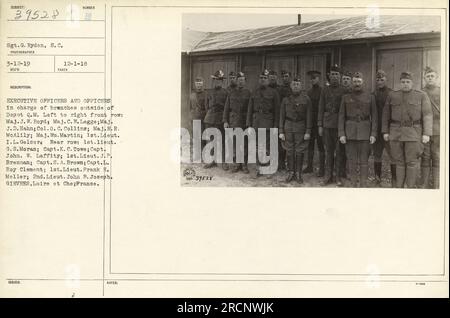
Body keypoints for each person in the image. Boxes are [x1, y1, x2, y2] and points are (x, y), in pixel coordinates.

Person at [382, 71, 433, 188]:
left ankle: (410, 187)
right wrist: (385, 131)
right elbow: (386, 114)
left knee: (412, 162)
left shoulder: (421, 95)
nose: (405, 84)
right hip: (396, 132)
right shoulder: (392, 95)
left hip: (413, 133)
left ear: (412, 83)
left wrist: (426, 133)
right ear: (400, 83)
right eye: (403, 82)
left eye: (408, 82)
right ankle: (400, 187)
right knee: (398, 161)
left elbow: (427, 115)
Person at [338, 72, 377, 187]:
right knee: (352, 160)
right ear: (352, 83)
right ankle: (353, 183)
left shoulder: (370, 97)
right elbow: (341, 116)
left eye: (359, 81)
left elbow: (374, 117)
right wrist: (341, 134)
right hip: (349, 133)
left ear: (363, 82)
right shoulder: (345, 97)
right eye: (355, 81)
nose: (357, 84)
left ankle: (363, 184)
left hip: (365, 133)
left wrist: (373, 134)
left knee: (364, 161)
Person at [246, 69, 280, 177]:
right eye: (261, 78)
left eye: (265, 78)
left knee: (267, 147)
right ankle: (256, 169)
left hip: (268, 123)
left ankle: (267, 169)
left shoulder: (274, 93)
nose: (263, 80)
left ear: (268, 80)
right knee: (256, 147)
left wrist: (275, 126)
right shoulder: (254, 92)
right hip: (256, 122)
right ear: (259, 79)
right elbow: (250, 109)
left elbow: (277, 111)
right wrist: (249, 125)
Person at [317, 64, 347, 186]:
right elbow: (321, 107)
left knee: (339, 152)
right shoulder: (325, 90)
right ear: (329, 75)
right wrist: (320, 125)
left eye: (337, 74)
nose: (334, 76)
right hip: (327, 124)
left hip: (339, 126)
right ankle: (328, 176)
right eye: (333, 74)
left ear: (339, 76)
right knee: (328, 151)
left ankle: (338, 176)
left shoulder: (344, 90)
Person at [279, 76, 312, 183]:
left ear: (301, 86)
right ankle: (291, 172)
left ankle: (298, 173)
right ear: (290, 86)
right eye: (294, 84)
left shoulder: (306, 99)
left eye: (297, 84)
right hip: (288, 126)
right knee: (289, 150)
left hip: (301, 127)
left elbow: (309, 116)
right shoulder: (285, 99)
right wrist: (281, 131)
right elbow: (281, 116)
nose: (295, 86)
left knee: (299, 149)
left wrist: (308, 131)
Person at [223, 72, 251, 173]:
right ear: (237, 81)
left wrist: (249, 123)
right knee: (234, 143)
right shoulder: (231, 92)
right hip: (233, 121)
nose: (240, 82)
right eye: (239, 80)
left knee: (244, 144)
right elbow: (226, 108)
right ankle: (236, 164)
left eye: (242, 80)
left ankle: (244, 164)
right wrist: (225, 120)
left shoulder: (248, 93)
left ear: (245, 81)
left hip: (243, 122)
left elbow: (250, 109)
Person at [372, 70, 395, 187]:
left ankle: (394, 180)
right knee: (377, 154)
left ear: (386, 79)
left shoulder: (391, 93)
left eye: (382, 79)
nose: (380, 82)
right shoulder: (373, 94)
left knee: (392, 155)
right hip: (376, 130)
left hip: (388, 130)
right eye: (378, 80)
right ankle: (377, 178)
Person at [420, 66, 440, 189]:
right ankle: (424, 184)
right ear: (424, 79)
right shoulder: (421, 92)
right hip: (424, 130)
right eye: (428, 76)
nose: (430, 78)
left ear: (436, 78)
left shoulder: (442, 91)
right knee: (425, 156)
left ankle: (437, 185)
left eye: (432, 76)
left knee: (436, 156)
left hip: (438, 129)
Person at [204, 70, 229, 169]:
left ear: (222, 82)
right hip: (209, 119)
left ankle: (222, 162)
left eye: (220, 80)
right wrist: (210, 115)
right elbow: (206, 106)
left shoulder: (226, 92)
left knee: (222, 141)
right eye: (216, 80)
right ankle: (211, 161)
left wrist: (224, 119)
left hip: (220, 119)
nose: (218, 82)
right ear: (213, 81)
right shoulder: (208, 92)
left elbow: (227, 107)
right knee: (210, 141)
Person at [303, 70, 325, 177]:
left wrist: (321, 123)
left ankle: (322, 169)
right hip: (310, 122)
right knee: (310, 144)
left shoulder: (323, 91)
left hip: (320, 122)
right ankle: (310, 166)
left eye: (315, 78)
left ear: (319, 79)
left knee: (321, 145)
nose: (313, 80)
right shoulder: (308, 92)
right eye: (311, 78)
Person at [276, 70, 293, 171]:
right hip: (280, 118)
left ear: (290, 77)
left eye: (287, 76)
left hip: (289, 119)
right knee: (280, 142)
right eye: (283, 77)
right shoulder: (279, 90)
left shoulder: (293, 89)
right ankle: (280, 162)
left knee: (289, 142)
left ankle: (288, 164)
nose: (285, 78)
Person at [189, 76, 207, 146]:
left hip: (202, 119)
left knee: (202, 137)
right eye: (197, 83)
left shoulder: (205, 94)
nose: (198, 85)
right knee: (195, 137)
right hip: (194, 119)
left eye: (200, 83)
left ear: (202, 84)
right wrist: (190, 118)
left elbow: (207, 107)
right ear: (195, 84)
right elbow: (190, 108)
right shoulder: (192, 95)